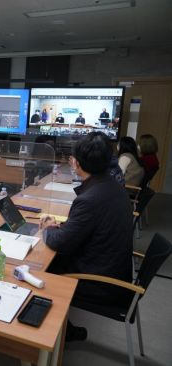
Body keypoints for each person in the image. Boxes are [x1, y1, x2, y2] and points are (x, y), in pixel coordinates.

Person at [40, 132, 133, 342]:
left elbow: (61, 243)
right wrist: (64, 226)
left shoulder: (90, 199)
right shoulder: (113, 187)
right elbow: (89, 228)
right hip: (115, 271)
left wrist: (47, 228)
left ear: (77, 164)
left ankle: (56, 335)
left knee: (39, 269)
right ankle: (64, 328)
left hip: (102, 284)